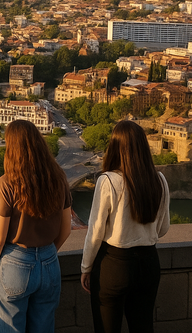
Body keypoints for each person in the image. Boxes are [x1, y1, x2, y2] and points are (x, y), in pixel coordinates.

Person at [80, 120, 171, 333]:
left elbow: (95, 232)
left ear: (115, 146)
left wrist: (86, 268)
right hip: (148, 263)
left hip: (115, 264)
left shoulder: (108, 181)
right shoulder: (159, 179)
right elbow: (163, 228)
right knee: (143, 326)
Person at [0, 120, 72, 333]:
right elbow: (66, 229)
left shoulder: (5, 184)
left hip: (15, 263)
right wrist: (46, 254)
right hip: (49, 261)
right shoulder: (58, 179)